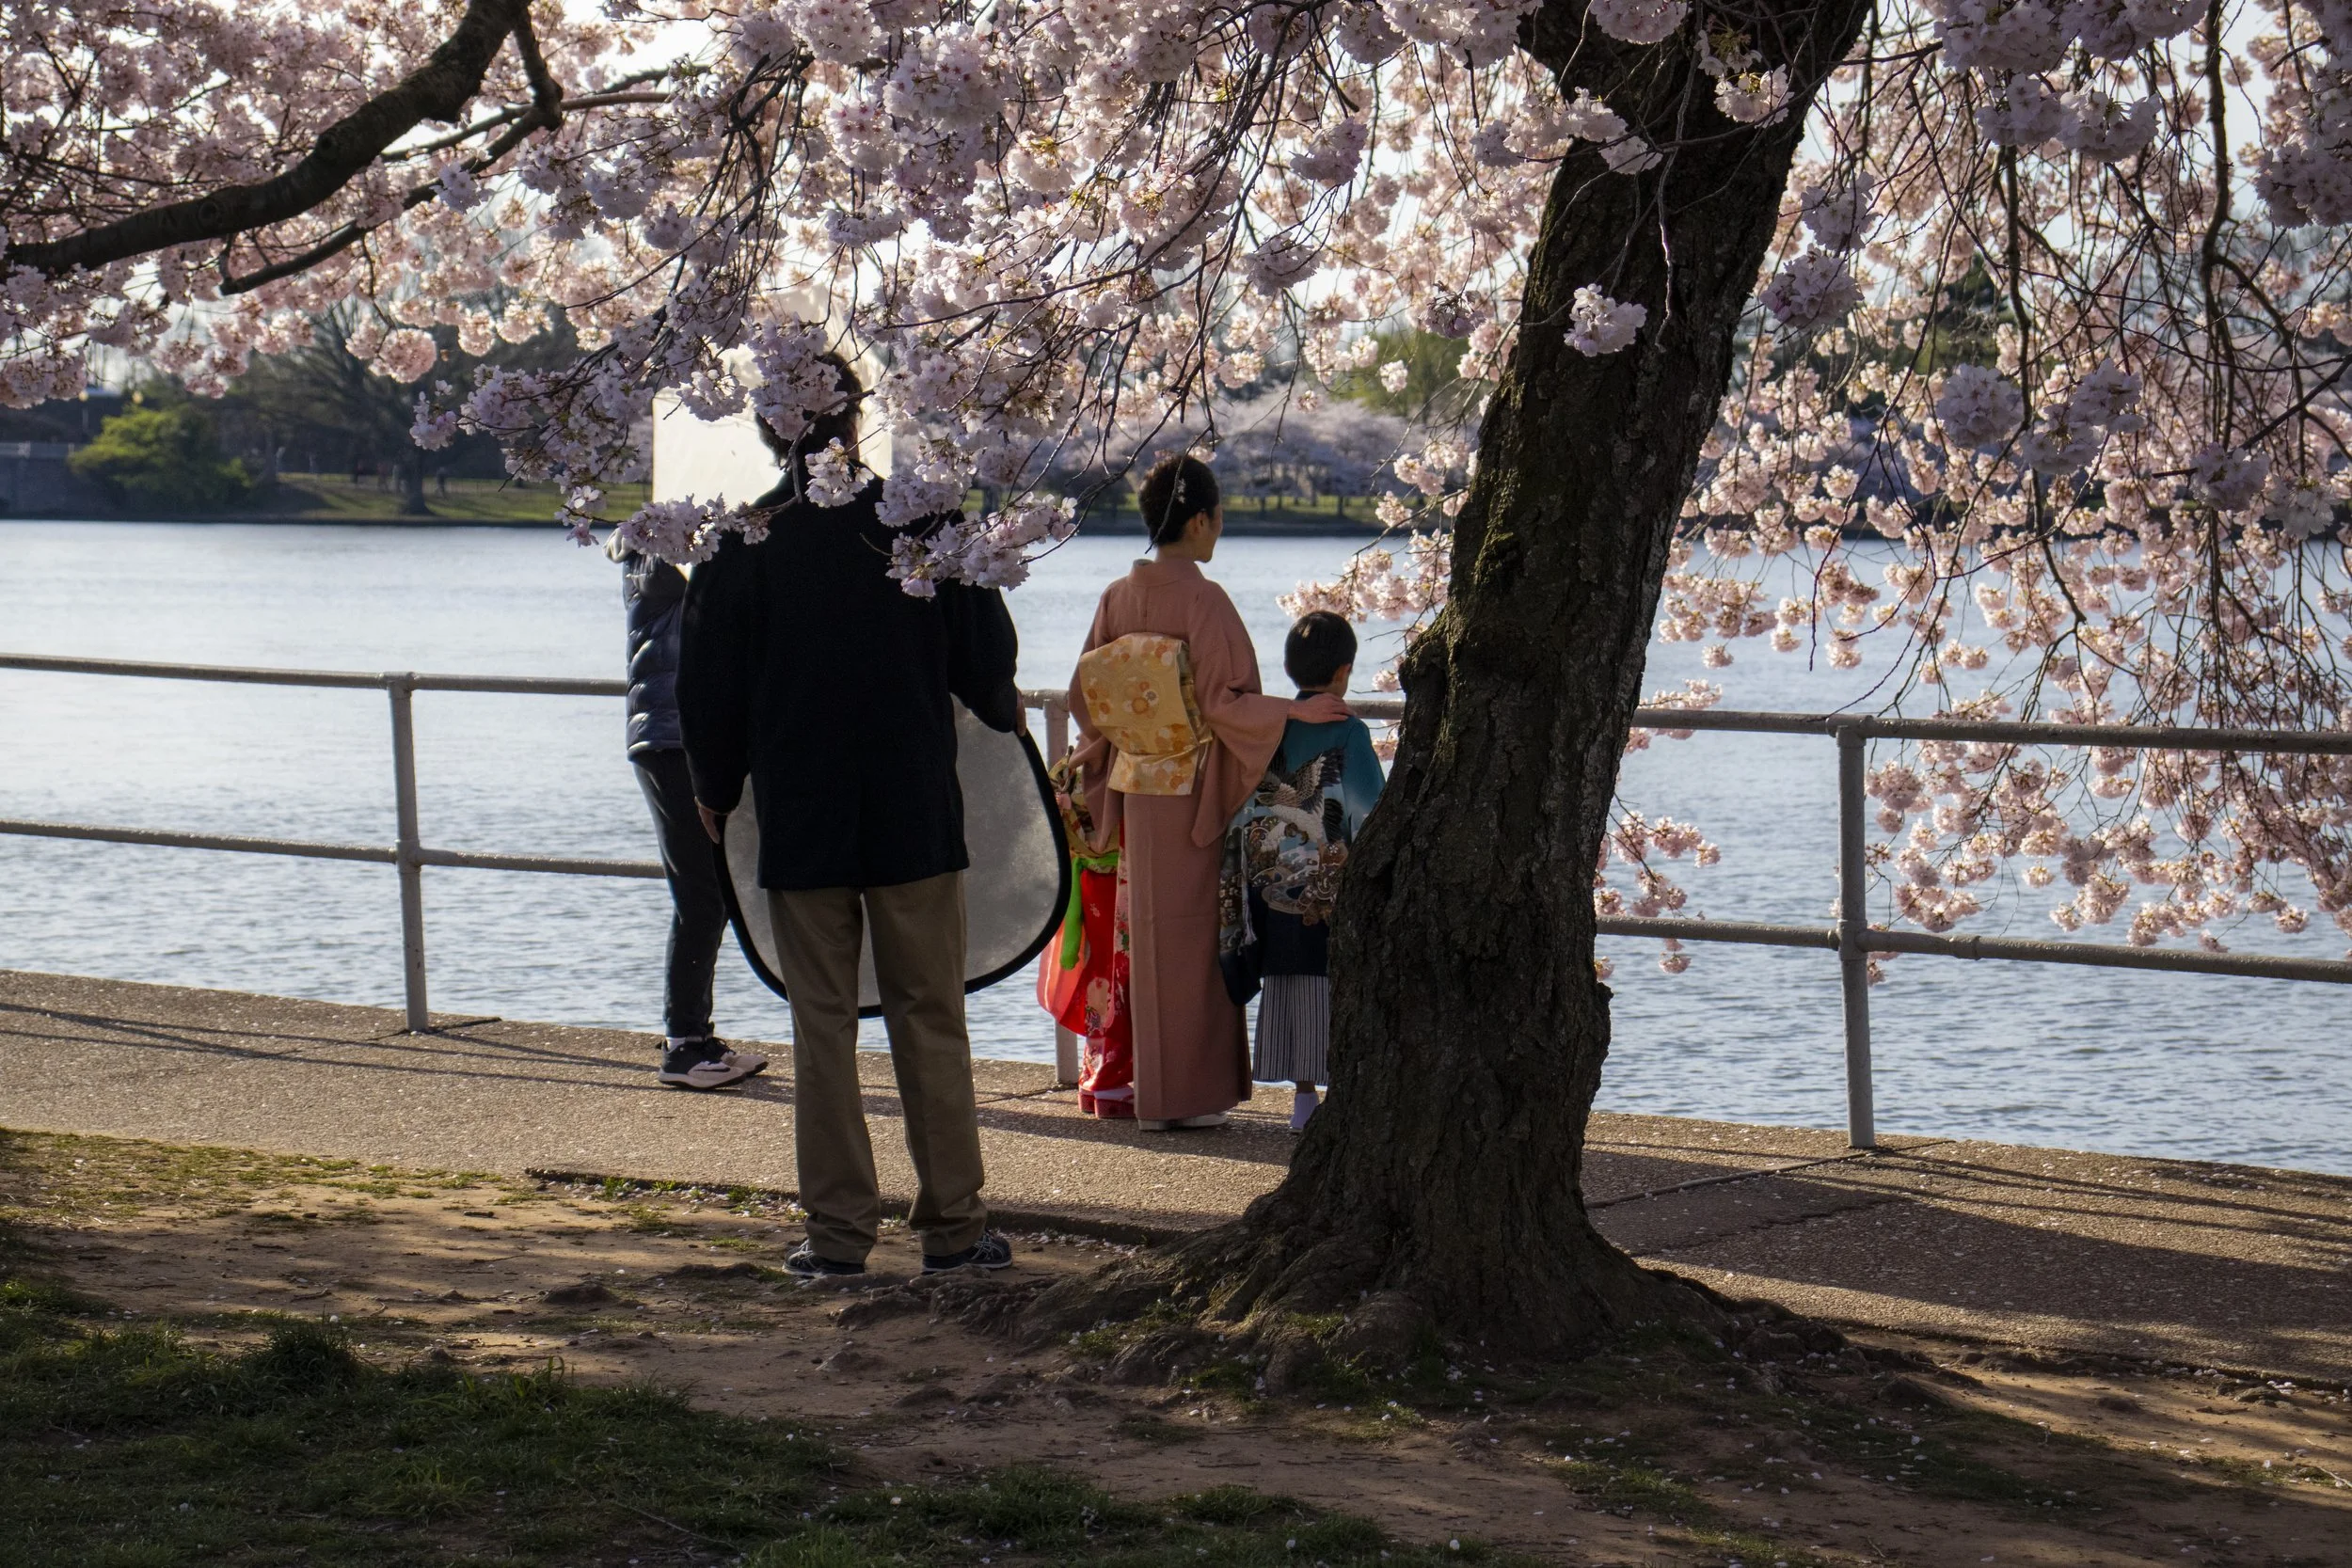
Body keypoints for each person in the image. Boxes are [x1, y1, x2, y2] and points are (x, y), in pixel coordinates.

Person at [678, 353, 1020, 1278]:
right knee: (930, 1014)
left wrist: (715, 787)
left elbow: (705, 688)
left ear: (764, 429)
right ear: (855, 422)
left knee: (820, 1023)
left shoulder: (742, 541)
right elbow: (987, 662)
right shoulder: (923, 520)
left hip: (800, 810)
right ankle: (953, 1225)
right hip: (912, 799)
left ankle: (836, 1235)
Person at [1066, 453, 1347, 1131]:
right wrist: (1292, 710)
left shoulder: (1116, 596)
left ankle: (1147, 1086)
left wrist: (1139, 735)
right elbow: (1226, 701)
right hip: (1190, 788)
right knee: (1192, 940)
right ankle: (1182, 1095)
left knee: (1149, 936)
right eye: (1217, 519)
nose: (1219, 531)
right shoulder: (1204, 599)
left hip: (1137, 786)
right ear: (1198, 520)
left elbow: (1085, 695)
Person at [1218, 610, 1386, 1132]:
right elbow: (1370, 808)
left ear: (1289, 669)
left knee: (1287, 979)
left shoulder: (1268, 727)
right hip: (1329, 882)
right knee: (1336, 981)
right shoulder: (1348, 731)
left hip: (1270, 878)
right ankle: (1341, 1094)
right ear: (1345, 671)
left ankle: (1303, 1097)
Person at [612, 533, 767, 1091]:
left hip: (678, 739)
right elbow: (679, 582)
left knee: (711, 892)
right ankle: (682, 1047)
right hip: (674, 741)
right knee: (701, 894)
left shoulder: (656, 558)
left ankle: (696, 1036)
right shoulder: (656, 555)